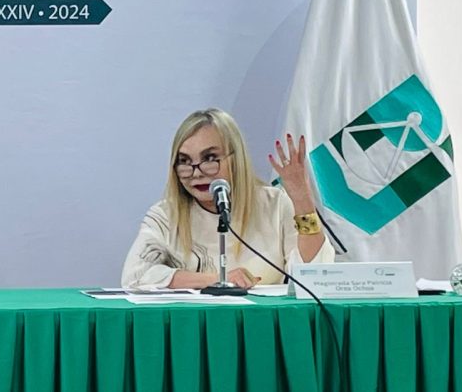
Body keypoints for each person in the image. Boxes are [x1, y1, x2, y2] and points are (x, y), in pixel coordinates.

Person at [121, 108, 334, 289]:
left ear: (236, 158)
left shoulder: (275, 205)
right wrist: (220, 280)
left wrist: (302, 200)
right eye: (185, 161)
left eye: (210, 158)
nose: (197, 172)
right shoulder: (165, 215)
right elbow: (135, 276)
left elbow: (315, 273)